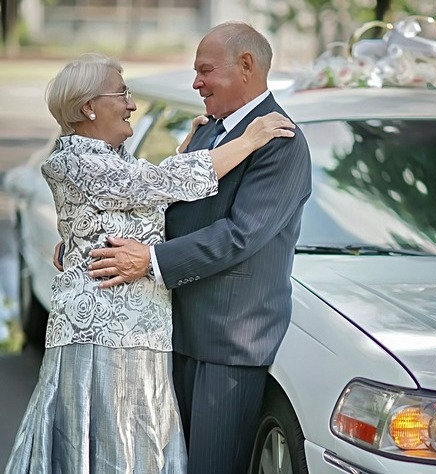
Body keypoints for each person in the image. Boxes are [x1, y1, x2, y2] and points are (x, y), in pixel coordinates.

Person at [4, 52, 295, 474]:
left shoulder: (112, 158)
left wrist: (187, 150)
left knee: (138, 449)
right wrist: (248, 140)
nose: (132, 105)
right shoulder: (72, 160)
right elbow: (156, 185)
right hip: (104, 334)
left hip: (140, 333)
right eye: (122, 93)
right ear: (88, 106)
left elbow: (142, 197)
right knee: (111, 453)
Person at [87, 22, 312, 474]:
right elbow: (165, 209)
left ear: (246, 66)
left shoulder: (281, 143)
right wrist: (87, 242)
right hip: (177, 332)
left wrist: (148, 261)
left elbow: (239, 235)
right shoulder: (210, 131)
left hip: (228, 342)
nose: (196, 83)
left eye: (205, 70)